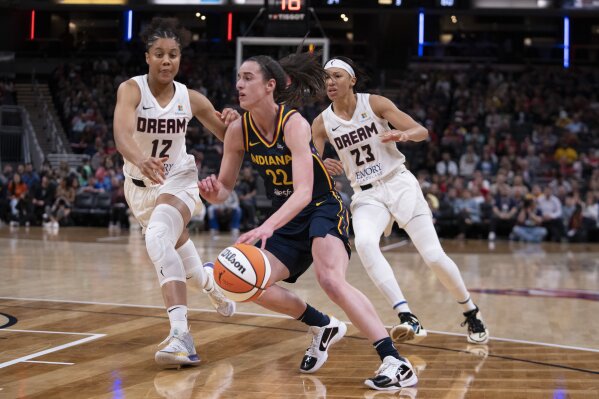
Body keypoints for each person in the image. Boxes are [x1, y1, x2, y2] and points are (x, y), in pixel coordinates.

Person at [199, 52, 417, 391]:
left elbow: (303, 192)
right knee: (246, 283)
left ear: (270, 85)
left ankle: (395, 361)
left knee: (330, 278)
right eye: (238, 78)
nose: (239, 84)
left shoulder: (294, 123)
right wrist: (212, 192)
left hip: (320, 206)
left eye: (247, 78)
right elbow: (224, 189)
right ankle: (322, 325)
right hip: (284, 216)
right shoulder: (237, 131)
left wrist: (267, 226)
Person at [311, 56, 489, 346]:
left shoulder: (375, 103)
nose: (330, 82)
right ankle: (407, 316)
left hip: (399, 182)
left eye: (337, 76)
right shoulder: (321, 123)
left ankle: (470, 310)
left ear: (352, 80)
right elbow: (309, 164)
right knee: (366, 243)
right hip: (366, 193)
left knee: (433, 256)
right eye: (326, 78)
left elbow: (422, 131)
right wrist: (323, 165)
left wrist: (403, 134)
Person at [112, 17, 238, 368]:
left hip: (179, 180)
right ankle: (212, 285)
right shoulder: (131, 90)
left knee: (156, 238)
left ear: (180, 59)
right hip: (139, 189)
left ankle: (182, 337)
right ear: (147, 57)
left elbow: (231, 140)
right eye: (159, 54)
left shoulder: (191, 98)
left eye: (173, 55)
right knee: (192, 274)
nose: (167, 61)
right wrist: (141, 159)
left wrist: (235, 121)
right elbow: (121, 136)